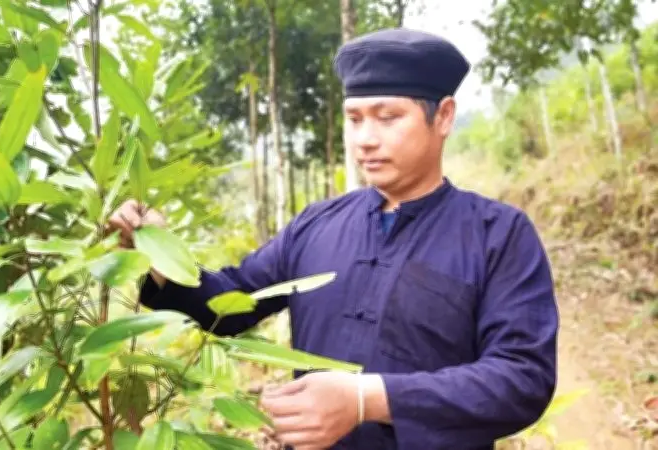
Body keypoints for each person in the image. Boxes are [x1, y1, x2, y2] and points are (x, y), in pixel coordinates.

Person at [108, 28, 559, 450]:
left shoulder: (498, 234)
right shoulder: (317, 224)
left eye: (387, 117)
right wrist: (159, 255)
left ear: (442, 117)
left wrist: (368, 399)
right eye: (354, 119)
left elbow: (521, 379)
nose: (365, 139)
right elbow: (228, 304)